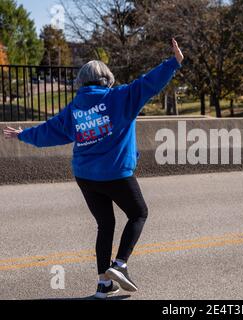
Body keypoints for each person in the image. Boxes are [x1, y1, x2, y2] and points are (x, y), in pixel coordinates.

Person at [3, 39, 184, 299]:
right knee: (139, 213)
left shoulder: (75, 109)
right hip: (116, 173)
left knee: (105, 224)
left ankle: (103, 285)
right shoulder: (121, 96)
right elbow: (149, 83)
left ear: (81, 82)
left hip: (86, 176)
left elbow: (48, 132)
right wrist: (173, 63)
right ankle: (120, 265)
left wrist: (23, 135)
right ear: (107, 78)